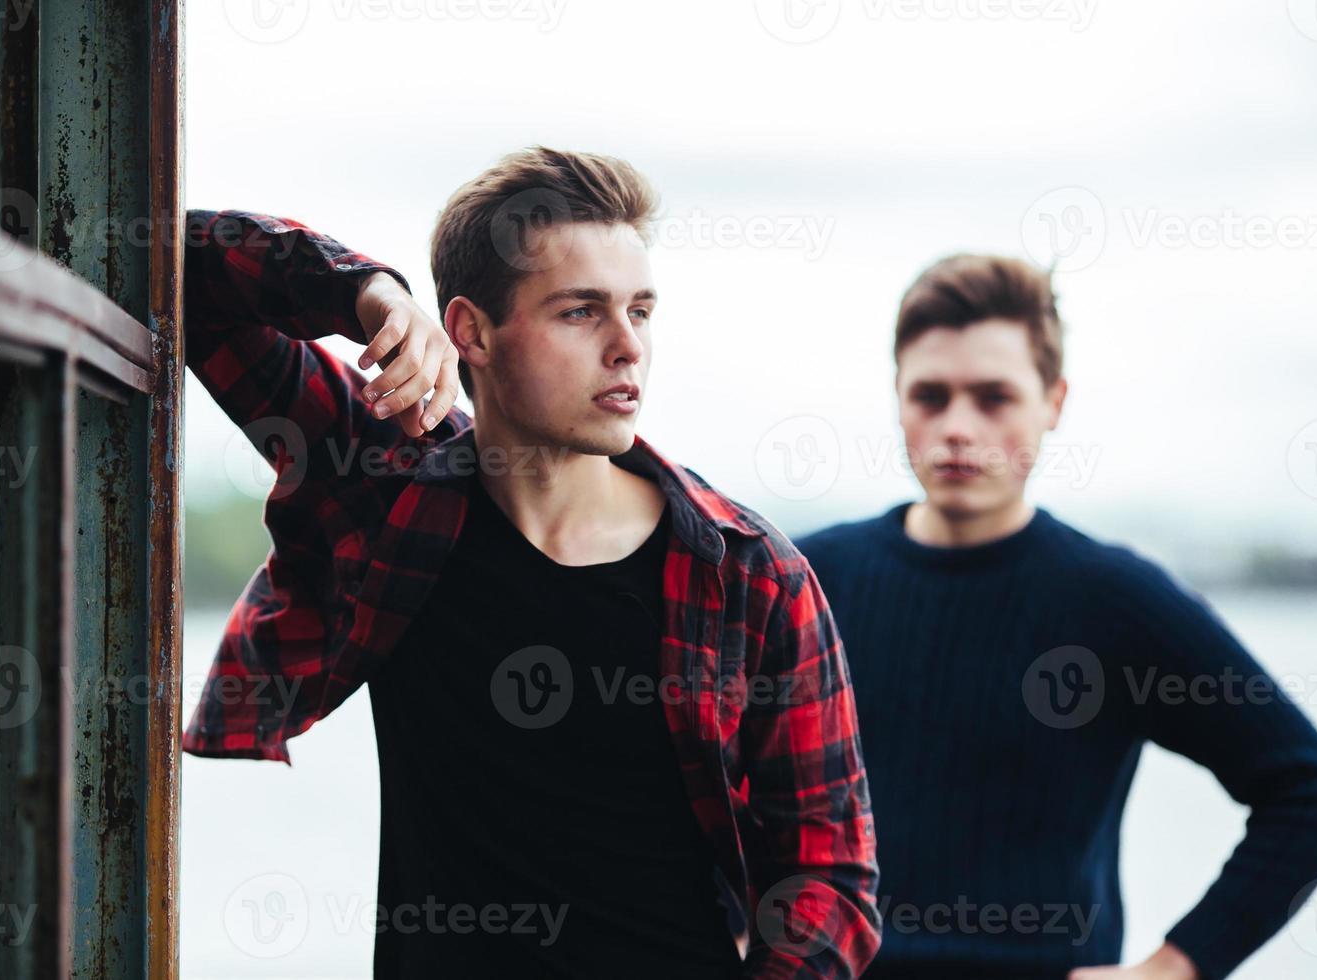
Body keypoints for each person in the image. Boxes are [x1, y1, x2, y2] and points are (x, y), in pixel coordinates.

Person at [180, 147, 881, 978]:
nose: (628, 347)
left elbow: (829, 883)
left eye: (642, 311)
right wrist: (363, 291)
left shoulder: (749, 575)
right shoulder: (390, 489)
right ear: (470, 331)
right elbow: (187, 270)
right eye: (582, 312)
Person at [797, 254, 1317, 979]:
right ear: (896, 396)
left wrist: (1174, 968)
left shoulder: (1113, 598)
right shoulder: (802, 582)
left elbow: (1312, 793)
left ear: (1054, 400)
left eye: (993, 397)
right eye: (930, 395)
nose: (958, 427)